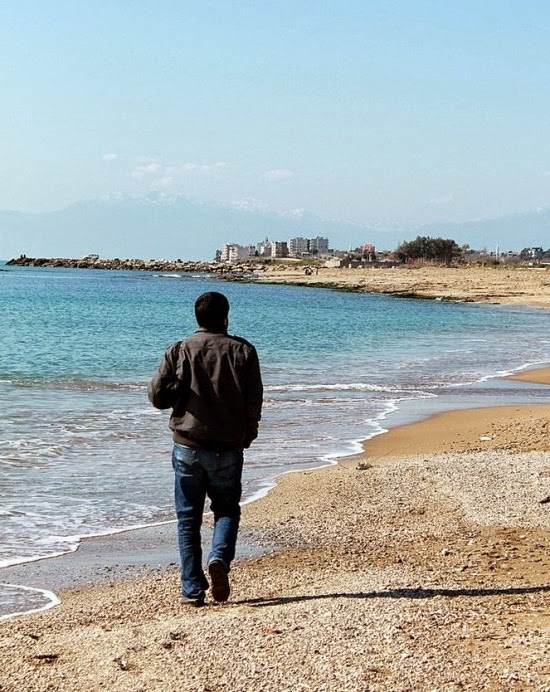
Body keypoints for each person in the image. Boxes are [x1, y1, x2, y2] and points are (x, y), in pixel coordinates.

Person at [148, 291, 263, 607]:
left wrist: (179, 391)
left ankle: (192, 590)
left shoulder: (179, 350)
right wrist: (248, 435)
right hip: (228, 447)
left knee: (188, 520)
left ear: (197, 318)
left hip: (187, 445)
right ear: (226, 317)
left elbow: (156, 397)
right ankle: (219, 559)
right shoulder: (243, 351)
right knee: (226, 509)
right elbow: (254, 401)